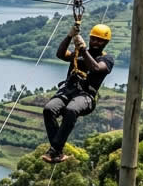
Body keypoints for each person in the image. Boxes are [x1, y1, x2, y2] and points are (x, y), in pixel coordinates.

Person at [42, 23, 113, 163]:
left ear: (106, 42)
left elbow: (96, 68)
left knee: (71, 110)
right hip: (68, 90)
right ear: (90, 38)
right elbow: (61, 54)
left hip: (86, 96)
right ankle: (57, 151)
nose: (96, 42)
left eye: (100, 40)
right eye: (94, 39)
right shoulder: (78, 54)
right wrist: (69, 36)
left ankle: (55, 150)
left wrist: (83, 49)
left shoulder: (107, 59)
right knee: (48, 109)